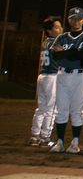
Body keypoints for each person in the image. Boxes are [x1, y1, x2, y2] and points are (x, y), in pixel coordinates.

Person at [49, 7, 83, 154]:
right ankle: (60, 142)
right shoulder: (61, 37)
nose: (76, 21)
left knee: (77, 110)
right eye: (73, 18)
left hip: (79, 76)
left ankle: (75, 142)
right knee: (61, 110)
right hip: (62, 75)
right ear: (69, 20)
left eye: (79, 19)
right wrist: (75, 52)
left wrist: (64, 52)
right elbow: (55, 56)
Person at [28, 16, 63, 147]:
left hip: (43, 76)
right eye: (57, 27)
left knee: (41, 108)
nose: (60, 29)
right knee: (51, 109)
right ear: (49, 30)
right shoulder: (55, 43)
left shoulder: (45, 42)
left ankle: (35, 135)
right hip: (52, 77)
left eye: (60, 26)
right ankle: (45, 137)